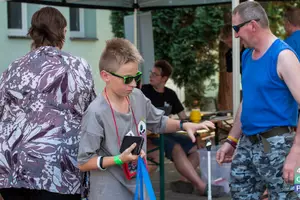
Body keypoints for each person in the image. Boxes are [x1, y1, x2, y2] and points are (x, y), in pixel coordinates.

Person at [76, 38, 217, 200]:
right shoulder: (96, 112)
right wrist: (118, 159)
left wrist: (184, 125)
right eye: (127, 79)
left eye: (137, 76)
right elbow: (83, 162)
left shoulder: (137, 97)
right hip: (109, 193)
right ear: (105, 76)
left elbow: (159, 122)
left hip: (139, 188)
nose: (134, 84)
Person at [0, 7, 95, 200]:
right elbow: (91, 112)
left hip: (12, 168)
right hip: (57, 170)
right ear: (63, 32)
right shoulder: (77, 66)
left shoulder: (13, 67)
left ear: (33, 33)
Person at [216, 1, 300, 199]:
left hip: (280, 144)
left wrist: (296, 152)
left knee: (289, 195)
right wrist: (231, 140)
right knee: (239, 192)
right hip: (248, 142)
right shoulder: (246, 56)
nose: (235, 35)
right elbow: (248, 102)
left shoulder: (283, 56)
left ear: (253, 25)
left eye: (237, 28)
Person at [141, 60, 224, 197]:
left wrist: (196, 131)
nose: (151, 76)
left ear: (164, 78)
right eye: (151, 73)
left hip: (167, 132)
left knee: (198, 147)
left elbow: (183, 117)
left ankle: (184, 181)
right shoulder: (144, 91)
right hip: (151, 135)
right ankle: (201, 186)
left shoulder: (170, 94)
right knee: (177, 148)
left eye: (155, 74)